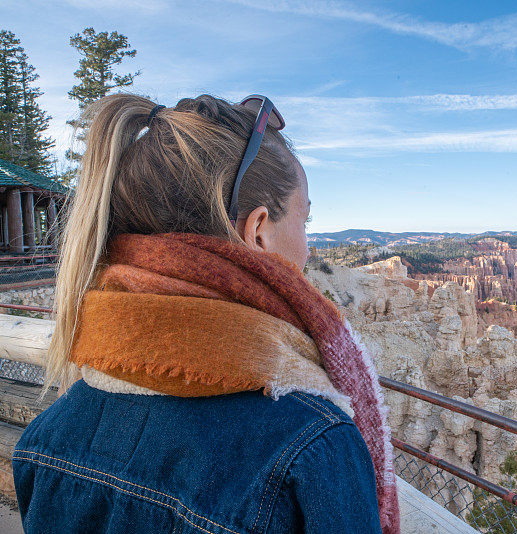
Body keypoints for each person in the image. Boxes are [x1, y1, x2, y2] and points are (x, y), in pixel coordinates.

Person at [11, 93, 401, 533]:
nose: (308, 247)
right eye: (304, 221)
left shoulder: (44, 440)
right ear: (257, 232)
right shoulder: (314, 450)